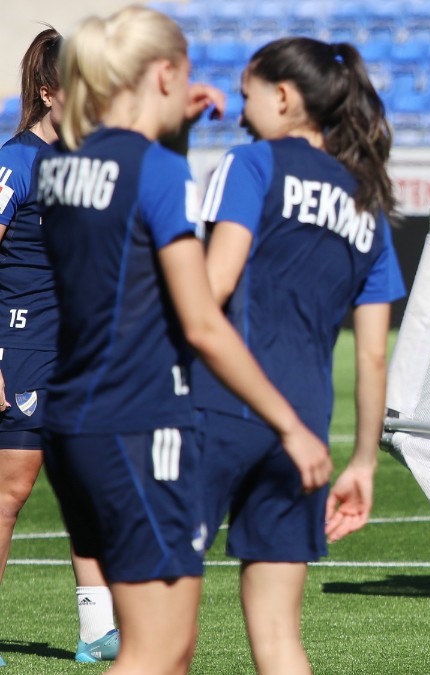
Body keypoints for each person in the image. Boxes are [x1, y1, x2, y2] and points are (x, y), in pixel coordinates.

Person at [35, 7, 330, 674]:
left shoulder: (60, 167)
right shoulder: (160, 173)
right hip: (138, 423)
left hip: (73, 421)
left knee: (166, 650)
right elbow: (201, 322)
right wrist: (291, 426)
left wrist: (175, 135)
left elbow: (122, 228)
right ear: (165, 74)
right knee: (158, 650)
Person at [195, 36, 405, 674]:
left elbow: (211, 291)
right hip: (306, 431)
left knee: (156, 632)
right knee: (280, 639)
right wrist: (362, 462)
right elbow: (373, 358)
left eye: (247, 94)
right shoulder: (368, 205)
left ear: (283, 96)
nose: (239, 111)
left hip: (219, 407)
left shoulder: (251, 164)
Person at [0, 26, 121, 666]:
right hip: (22, 346)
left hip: (79, 353)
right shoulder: (15, 162)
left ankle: (97, 630)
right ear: (49, 93)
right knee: (10, 493)